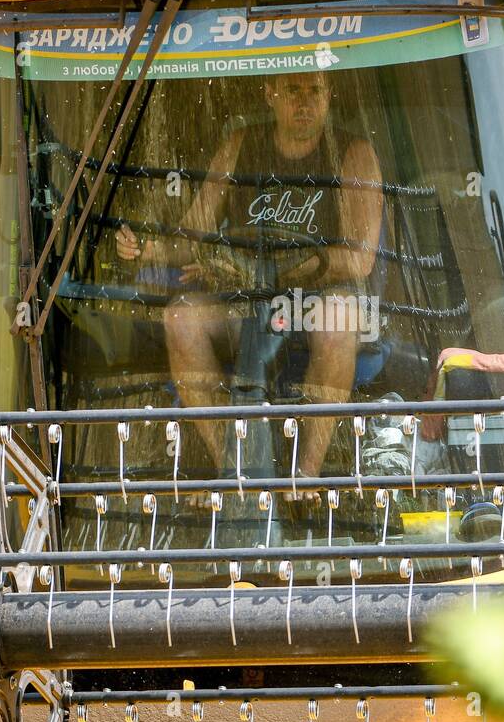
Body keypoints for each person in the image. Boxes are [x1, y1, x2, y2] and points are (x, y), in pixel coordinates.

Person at [115, 70, 385, 491]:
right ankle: (231, 462)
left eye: (315, 90)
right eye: (293, 90)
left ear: (329, 96)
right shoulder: (240, 145)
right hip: (243, 302)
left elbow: (359, 259)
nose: (304, 102)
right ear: (270, 94)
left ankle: (306, 475)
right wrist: (146, 248)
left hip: (311, 303)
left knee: (339, 317)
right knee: (180, 319)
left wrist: (260, 266)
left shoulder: (352, 152)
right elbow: (194, 235)